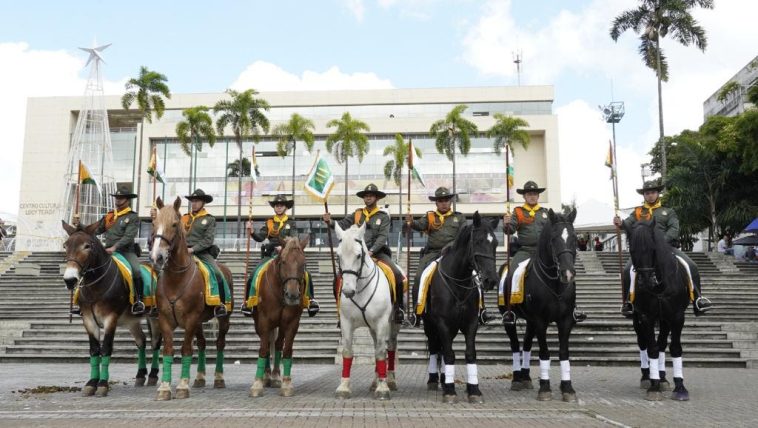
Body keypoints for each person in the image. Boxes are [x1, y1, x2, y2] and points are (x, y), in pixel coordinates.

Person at [614, 180, 713, 317]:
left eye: (653, 192)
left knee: (691, 265)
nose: (650, 195)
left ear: (658, 193)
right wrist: (621, 223)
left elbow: (674, 229)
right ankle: (628, 303)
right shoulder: (637, 212)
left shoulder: (668, 211)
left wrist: (660, 242)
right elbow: (629, 226)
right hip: (645, 252)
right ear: (644, 195)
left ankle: (698, 299)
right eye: (647, 193)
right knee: (627, 270)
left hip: (667, 248)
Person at [406, 187, 496, 326]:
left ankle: (482, 311)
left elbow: (463, 235)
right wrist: (411, 222)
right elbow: (419, 225)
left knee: (476, 278)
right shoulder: (430, 216)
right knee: (419, 277)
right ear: (436, 203)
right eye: (440, 201)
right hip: (432, 253)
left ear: (450, 202)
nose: (444, 203)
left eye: (446, 200)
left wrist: (450, 246)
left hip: (453, 253)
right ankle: (417, 313)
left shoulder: (458, 217)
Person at [502, 181, 587, 324]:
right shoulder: (517, 212)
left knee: (567, 271)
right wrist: (506, 224)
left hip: (545, 253)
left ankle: (572, 309)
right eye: (529, 194)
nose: (532, 197)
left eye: (534, 194)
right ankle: (511, 310)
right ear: (524, 196)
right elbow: (510, 230)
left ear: (538, 196)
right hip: (525, 251)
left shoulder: (546, 213)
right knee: (513, 272)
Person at [323, 184, 406, 324]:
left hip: (378, 253)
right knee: (337, 279)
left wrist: (371, 250)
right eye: (366, 196)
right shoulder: (357, 214)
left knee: (397, 274)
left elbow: (382, 237)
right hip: (356, 254)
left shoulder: (383, 216)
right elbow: (342, 225)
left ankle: (398, 309)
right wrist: (330, 221)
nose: (368, 198)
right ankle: (341, 311)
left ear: (376, 198)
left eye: (371, 196)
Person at [72, 185, 144, 315]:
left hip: (126, 251)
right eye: (116, 198)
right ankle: (81, 302)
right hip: (107, 250)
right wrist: (80, 225)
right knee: (87, 268)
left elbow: (129, 236)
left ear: (127, 200)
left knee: (137, 271)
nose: (117, 200)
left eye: (120, 198)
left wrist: (115, 247)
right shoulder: (110, 216)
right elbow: (96, 230)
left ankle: (138, 301)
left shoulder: (132, 217)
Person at [243, 194, 319, 317]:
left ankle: (310, 300)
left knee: (306, 274)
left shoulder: (291, 223)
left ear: (286, 207)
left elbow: (295, 238)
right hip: (271, 254)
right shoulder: (269, 222)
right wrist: (252, 232)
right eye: (276, 205)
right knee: (255, 273)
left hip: (287, 254)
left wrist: (284, 247)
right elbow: (260, 237)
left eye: (281, 205)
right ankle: (249, 302)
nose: (278, 207)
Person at [181, 189, 228, 318]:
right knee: (163, 270)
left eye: (197, 201)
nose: (194, 203)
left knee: (217, 273)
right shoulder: (184, 218)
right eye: (192, 201)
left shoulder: (209, 219)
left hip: (201, 253)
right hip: (182, 252)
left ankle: (220, 304)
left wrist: (193, 249)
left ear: (203, 203)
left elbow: (208, 240)